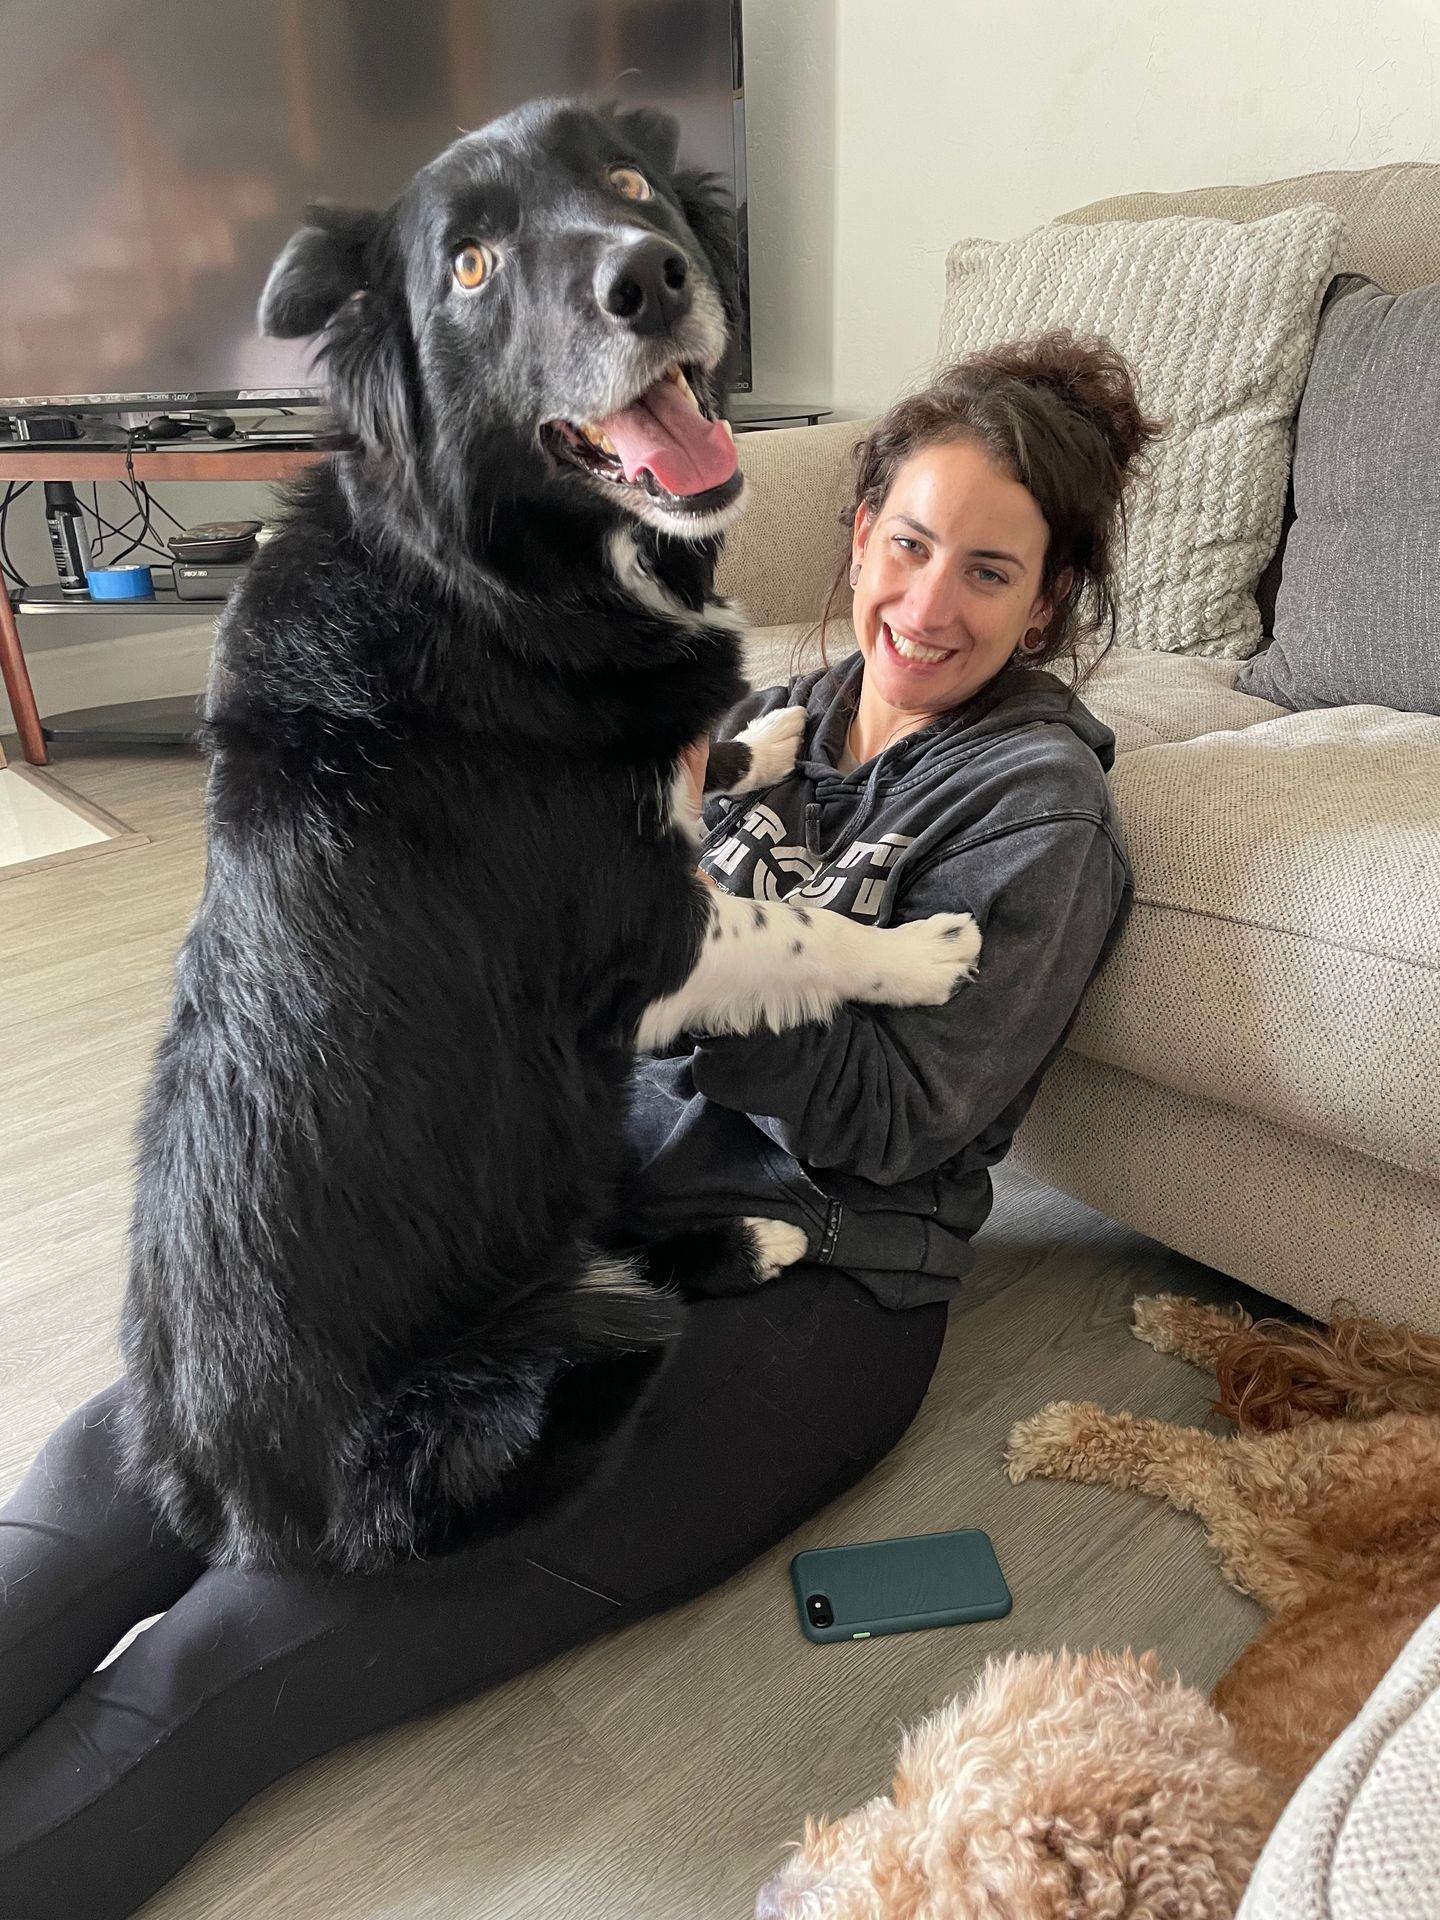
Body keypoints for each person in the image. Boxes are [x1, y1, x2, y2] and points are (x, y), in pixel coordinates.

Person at [0, 331, 1159, 1917]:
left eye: (988, 571)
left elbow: (893, 1121)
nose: (927, 603)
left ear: (1051, 601)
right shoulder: (781, 717)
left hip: (798, 1290)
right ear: (860, 527)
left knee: (251, 1633)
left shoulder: (1038, 817)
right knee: (141, 1449)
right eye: (907, 542)